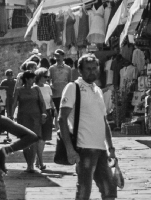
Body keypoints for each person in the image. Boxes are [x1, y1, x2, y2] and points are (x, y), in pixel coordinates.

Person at [58, 52, 117, 200]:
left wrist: (111, 148)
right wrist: (70, 149)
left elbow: (103, 121)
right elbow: (62, 119)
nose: (92, 71)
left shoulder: (97, 90)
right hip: (84, 148)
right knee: (84, 192)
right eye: (88, 68)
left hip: (101, 149)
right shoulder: (73, 88)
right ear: (80, 70)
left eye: (94, 68)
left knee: (109, 190)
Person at [11, 69, 46, 173]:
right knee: (25, 140)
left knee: (34, 140)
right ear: (26, 79)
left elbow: (42, 102)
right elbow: (14, 103)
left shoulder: (36, 89)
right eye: (31, 78)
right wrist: (11, 115)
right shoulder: (19, 90)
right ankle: (29, 164)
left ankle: (32, 164)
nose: (33, 80)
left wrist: (44, 114)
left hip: (35, 118)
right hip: (23, 117)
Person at [34, 68, 55, 172]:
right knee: (39, 138)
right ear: (39, 76)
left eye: (48, 77)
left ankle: (38, 160)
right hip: (37, 113)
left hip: (48, 113)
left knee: (44, 138)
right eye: (45, 76)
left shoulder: (47, 87)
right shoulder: (34, 88)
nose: (47, 79)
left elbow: (50, 101)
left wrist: (54, 110)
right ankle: (40, 162)